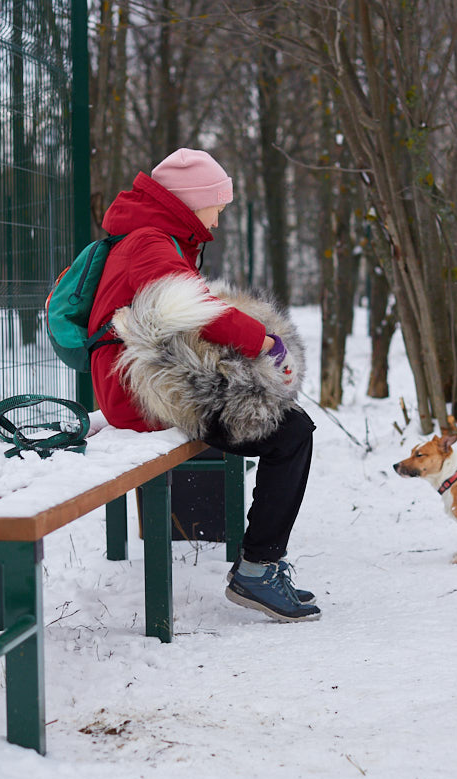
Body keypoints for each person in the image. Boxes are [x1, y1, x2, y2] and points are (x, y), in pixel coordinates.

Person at [87, 147, 320, 623]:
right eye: (217, 203)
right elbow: (200, 313)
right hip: (142, 391)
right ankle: (256, 570)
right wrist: (265, 343)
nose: (220, 214)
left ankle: (260, 564)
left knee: (291, 427)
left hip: (146, 381)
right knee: (292, 434)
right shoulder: (151, 242)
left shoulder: (152, 238)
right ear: (192, 202)